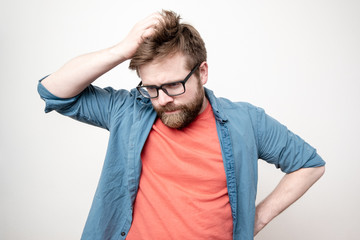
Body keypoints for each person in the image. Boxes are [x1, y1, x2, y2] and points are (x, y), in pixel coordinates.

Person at [37, 10, 325, 240]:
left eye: (173, 85)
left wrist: (257, 218)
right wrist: (123, 50)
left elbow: (309, 164)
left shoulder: (246, 122)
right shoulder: (128, 110)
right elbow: (54, 91)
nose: (162, 99)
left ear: (202, 72)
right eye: (151, 87)